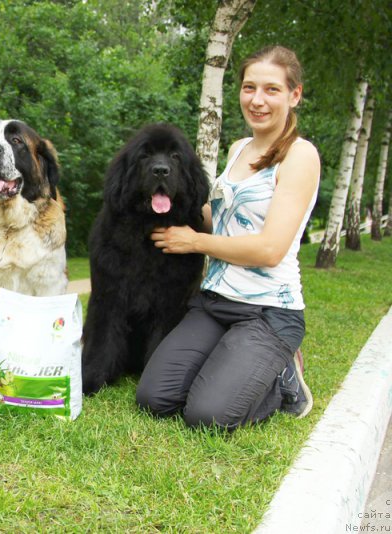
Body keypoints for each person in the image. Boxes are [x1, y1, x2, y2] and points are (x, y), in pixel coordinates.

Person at [136, 46, 320, 430]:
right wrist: (162, 205)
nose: (257, 100)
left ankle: (285, 379)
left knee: (208, 416)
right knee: (154, 398)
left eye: (271, 90)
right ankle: (231, 361)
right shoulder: (239, 149)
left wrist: (194, 242)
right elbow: (217, 217)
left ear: (294, 95)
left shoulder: (300, 156)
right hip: (215, 302)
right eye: (249, 87)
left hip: (269, 311)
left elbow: (269, 249)